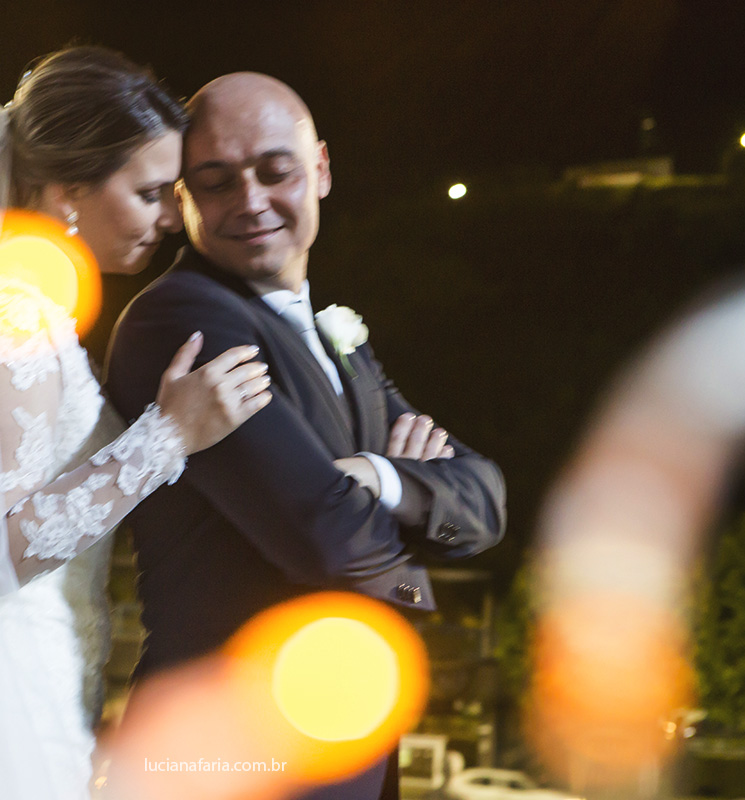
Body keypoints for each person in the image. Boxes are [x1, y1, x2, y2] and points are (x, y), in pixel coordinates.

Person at [0, 49, 272, 800]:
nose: (170, 217)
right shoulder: (9, 315)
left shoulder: (22, 305)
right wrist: (170, 436)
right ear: (68, 191)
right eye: (150, 192)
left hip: (14, 667)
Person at [104, 72, 506, 799]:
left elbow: (485, 494)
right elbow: (325, 539)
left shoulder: (339, 338)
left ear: (320, 168)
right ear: (183, 199)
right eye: (216, 181)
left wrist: (379, 479)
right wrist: (413, 556)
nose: (251, 200)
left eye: (274, 170)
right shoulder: (184, 318)